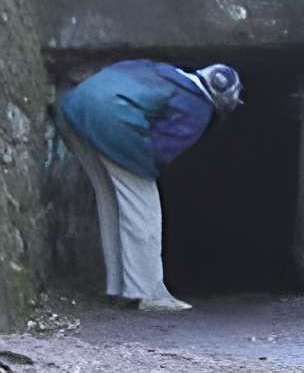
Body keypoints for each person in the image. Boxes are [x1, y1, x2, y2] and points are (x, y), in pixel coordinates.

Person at [52, 59, 242, 312]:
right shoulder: (198, 105)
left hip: (70, 107)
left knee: (110, 199)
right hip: (112, 122)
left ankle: (119, 288)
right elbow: (161, 150)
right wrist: (146, 172)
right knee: (144, 210)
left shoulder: (163, 70)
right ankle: (148, 293)